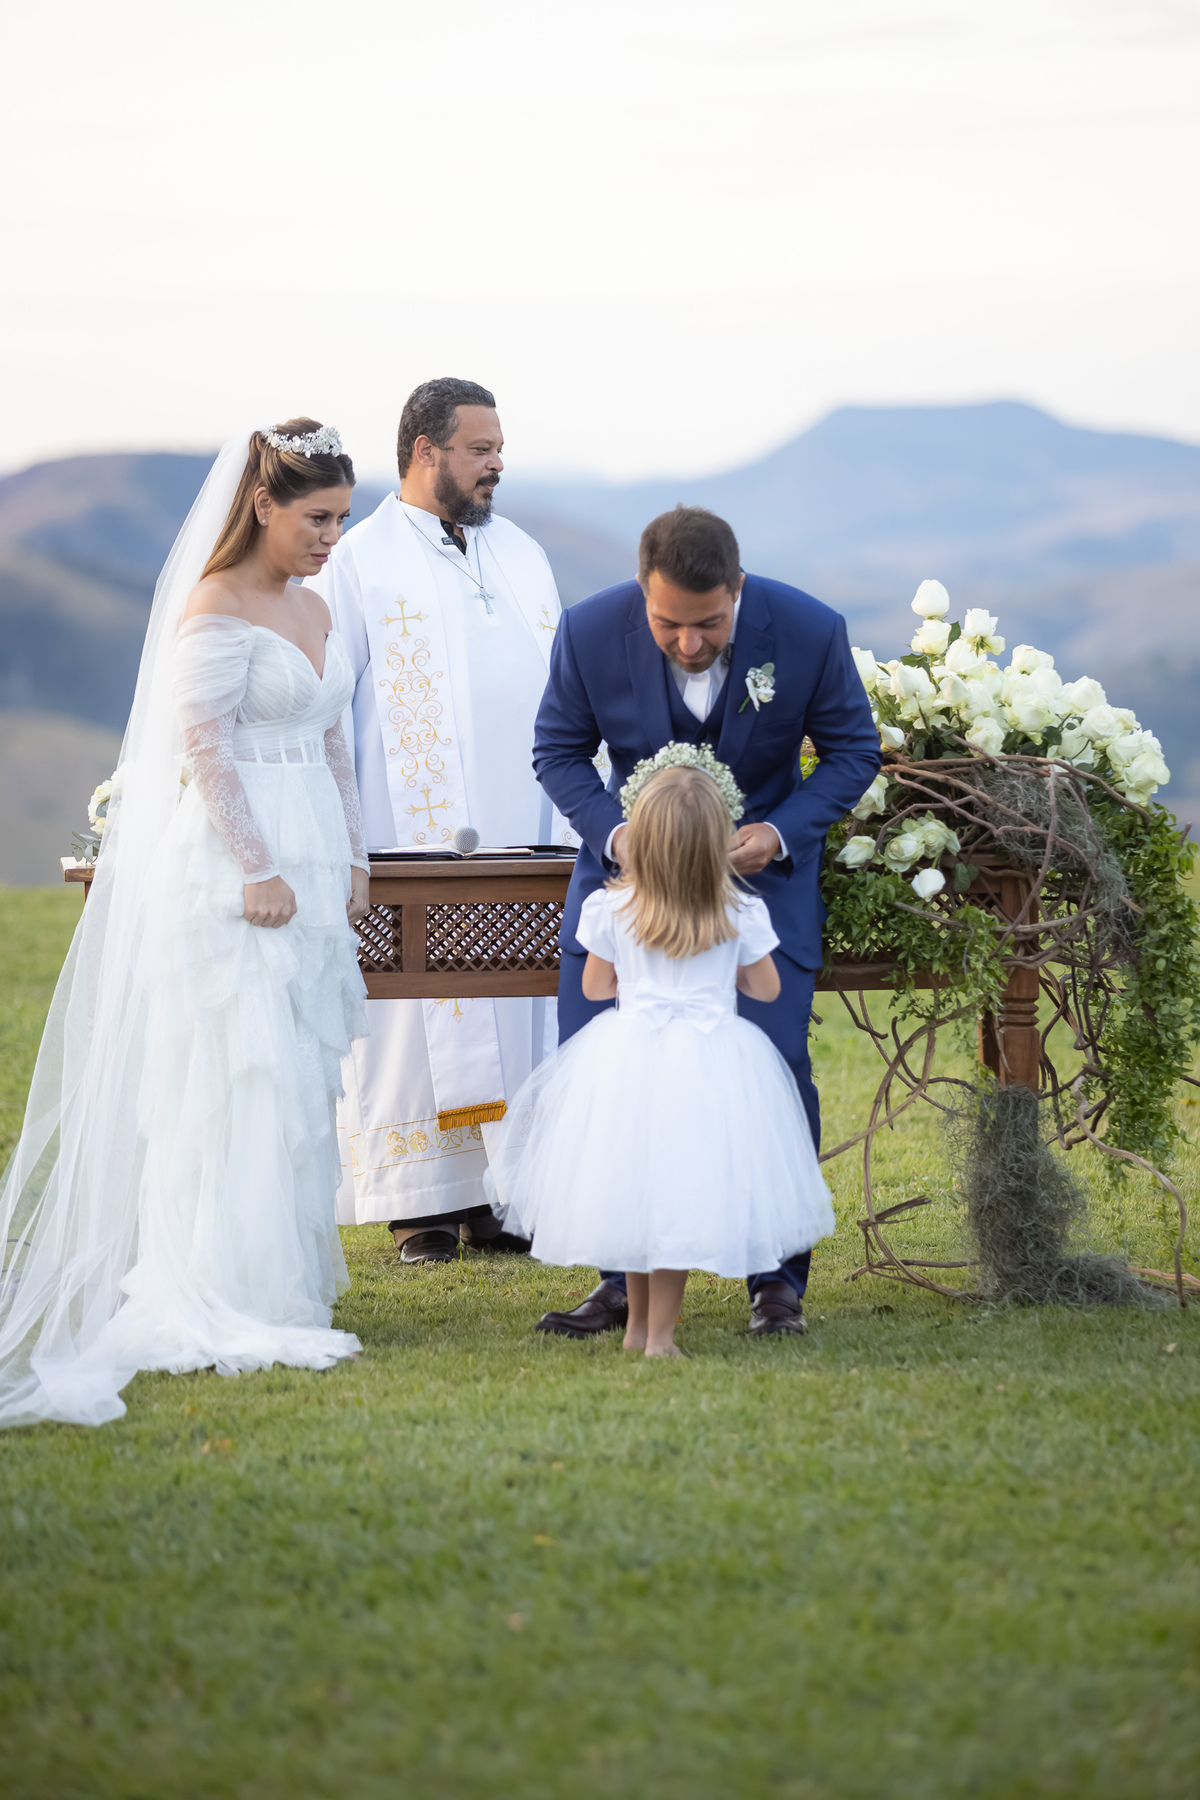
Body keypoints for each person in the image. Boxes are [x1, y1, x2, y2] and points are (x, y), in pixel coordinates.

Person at [0, 421, 371, 1428]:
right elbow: (205, 753)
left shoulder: (317, 608)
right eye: (317, 518)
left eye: (342, 518)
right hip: (232, 861)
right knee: (232, 1064)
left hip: (313, 849)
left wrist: (355, 854)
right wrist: (255, 867)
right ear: (263, 505)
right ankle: (216, 1286)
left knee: (294, 1068)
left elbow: (334, 736)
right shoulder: (213, 607)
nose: (332, 537)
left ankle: (278, 1280)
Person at [531, 505, 881, 1339]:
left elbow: (853, 751)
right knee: (612, 1083)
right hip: (626, 894)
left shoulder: (807, 629)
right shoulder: (587, 631)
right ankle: (622, 1276)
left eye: (709, 624)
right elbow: (556, 750)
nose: (689, 643)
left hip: (754, 895)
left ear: (739, 588)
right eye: (668, 624)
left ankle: (776, 1281)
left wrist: (780, 831)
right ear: (642, 594)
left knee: (772, 1066)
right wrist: (622, 840)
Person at [312, 378, 572, 1264]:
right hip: (405, 831)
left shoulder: (525, 554)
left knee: (514, 1003)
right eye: (481, 448)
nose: (498, 462)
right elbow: (327, 705)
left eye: (499, 447)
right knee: (413, 1017)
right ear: (426, 451)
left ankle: (500, 1191)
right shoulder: (358, 560)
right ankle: (419, 1204)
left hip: (524, 824)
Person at [487, 763, 836, 1356]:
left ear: (640, 837)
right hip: (709, 1061)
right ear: (716, 839)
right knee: (676, 1200)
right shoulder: (738, 912)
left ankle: (637, 1331)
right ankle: (660, 1341)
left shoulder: (611, 908)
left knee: (639, 1196)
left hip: (630, 1059)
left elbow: (596, 988)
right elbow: (768, 990)